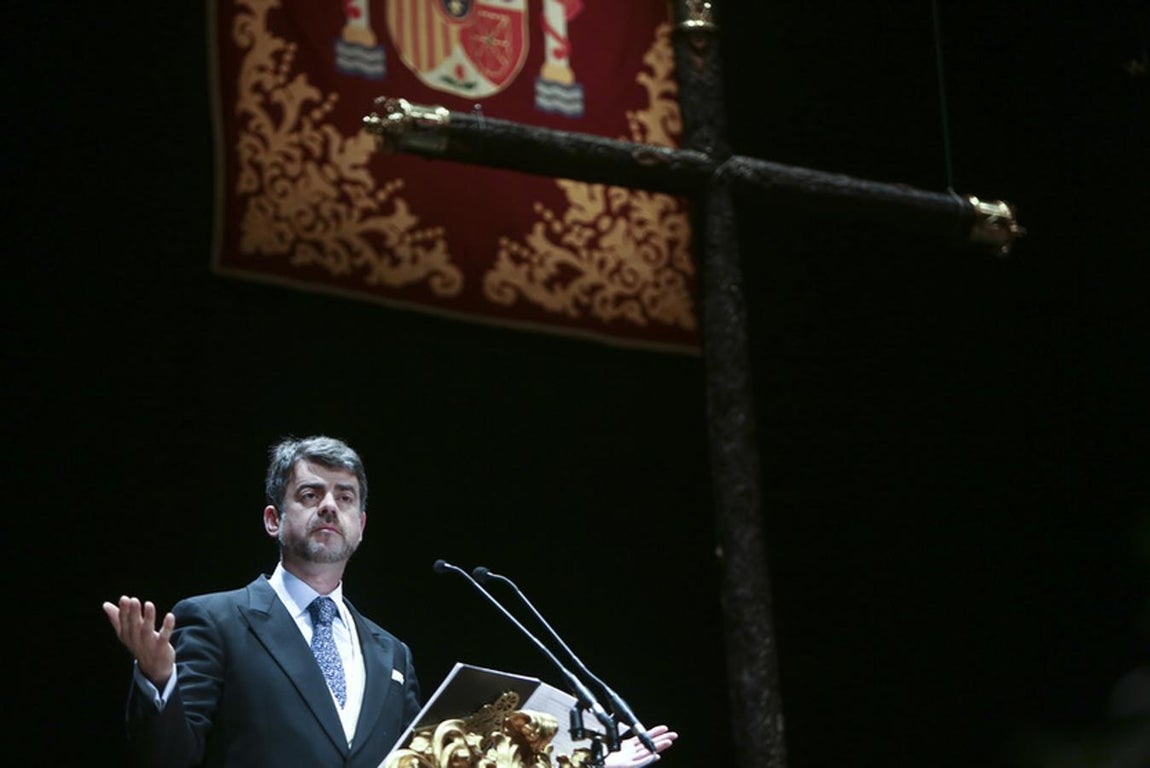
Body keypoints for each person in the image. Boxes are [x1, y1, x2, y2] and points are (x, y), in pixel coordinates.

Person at [105, 435, 677, 768]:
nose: (329, 506)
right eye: (310, 494)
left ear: (361, 526)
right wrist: (160, 682)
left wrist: (581, 763)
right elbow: (166, 760)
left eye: (344, 497)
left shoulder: (392, 656)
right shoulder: (217, 618)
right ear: (273, 519)